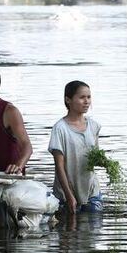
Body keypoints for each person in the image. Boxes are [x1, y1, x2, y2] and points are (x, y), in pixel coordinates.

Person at [48, 81, 102, 214]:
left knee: (93, 230)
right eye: (82, 97)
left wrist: (104, 161)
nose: (87, 101)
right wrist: (69, 195)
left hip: (90, 191)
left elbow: (95, 156)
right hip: (66, 193)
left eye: (89, 97)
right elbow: (59, 166)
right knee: (68, 231)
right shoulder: (60, 128)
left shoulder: (94, 126)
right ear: (68, 100)